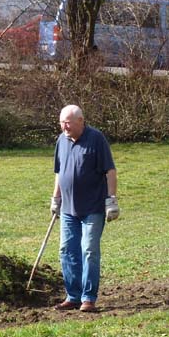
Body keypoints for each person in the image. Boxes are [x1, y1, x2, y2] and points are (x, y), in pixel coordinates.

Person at [51, 105, 119, 313]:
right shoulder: (61, 140)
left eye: (68, 122)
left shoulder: (96, 139)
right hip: (69, 209)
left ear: (81, 121)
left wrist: (112, 200)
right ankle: (73, 296)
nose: (64, 126)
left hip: (93, 207)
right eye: (62, 122)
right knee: (67, 250)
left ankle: (88, 298)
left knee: (89, 250)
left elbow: (110, 171)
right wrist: (56, 198)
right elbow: (59, 172)